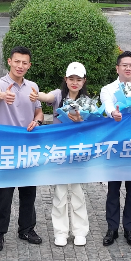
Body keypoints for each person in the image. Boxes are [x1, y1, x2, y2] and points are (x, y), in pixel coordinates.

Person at [0, 46, 45, 252]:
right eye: (17, 61)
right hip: (5, 148)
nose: (20, 66)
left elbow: (39, 112)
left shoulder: (33, 86)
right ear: (9, 61)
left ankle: (26, 229)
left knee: (28, 192)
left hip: (28, 147)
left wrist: (37, 121)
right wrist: (3, 95)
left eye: (24, 63)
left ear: (29, 65)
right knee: (3, 194)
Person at [31, 61, 92, 247]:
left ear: (84, 81)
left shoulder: (87, 101)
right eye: (71, 79)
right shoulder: (59, 95)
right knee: (60, 193)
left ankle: (80, 232)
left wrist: (81, 120)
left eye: (78, 79)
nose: (74, 82)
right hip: (59, 151)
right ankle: (60, 232)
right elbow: (47, 96)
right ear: (65, 79)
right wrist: (36, 95)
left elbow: (91, 125)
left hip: (78, 152)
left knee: (78, 193)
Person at [100, 50, 131, 246]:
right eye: (124, 65)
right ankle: (112, 228)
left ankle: (129, 228)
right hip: (114, 144)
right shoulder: (108, 89)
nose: (128, 68)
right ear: (117, 68)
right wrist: (114, 113)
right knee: (113, 188)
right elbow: (107, 105)